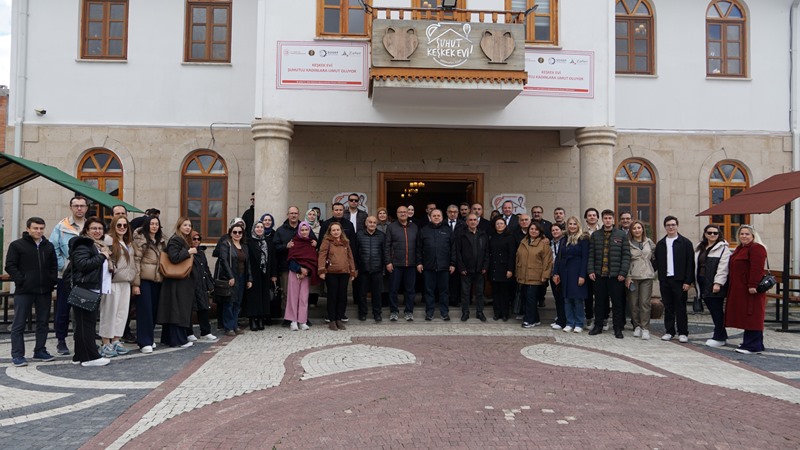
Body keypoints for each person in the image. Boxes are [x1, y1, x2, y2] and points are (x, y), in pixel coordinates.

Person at [6, 217, 58, 367]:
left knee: (43, 323)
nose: (39, 231)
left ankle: (40, 350)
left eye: (41, 228)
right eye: (35, 228)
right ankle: (17, 355)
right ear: (28, 229)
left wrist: (51, 279)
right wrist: (21, 280)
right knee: (19, 324)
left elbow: (54, 265)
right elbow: (10, 265)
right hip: (24, 291)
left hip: (44, 290)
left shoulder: (48, 246)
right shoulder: (17, 245)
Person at [68, 217, 111, 367]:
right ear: (87, 230)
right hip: (85, 288)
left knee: (84, 324)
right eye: (94, 228)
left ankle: (79, 355)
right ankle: (90, 357)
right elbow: (83, 265)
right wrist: (102, 256)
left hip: (93, 288)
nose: (97, 231)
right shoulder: (83, 245)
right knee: (86, 324)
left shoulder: (98, 246)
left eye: (100, 228)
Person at [50, 195, 89, 356]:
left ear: (86, 208)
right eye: (76, 206)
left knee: (85, 308)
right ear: (71, 207)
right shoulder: (62, 226)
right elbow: (54, 248)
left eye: (82, 206)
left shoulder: (91, 226)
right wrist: (64, 266)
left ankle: (85, 339)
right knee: (63, 309)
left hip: (86, 275)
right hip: (66, 276)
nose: (79, 208)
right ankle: (61, 340)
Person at [725, 225, 768, 354]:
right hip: (740, 289)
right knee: (747, 315)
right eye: (741, 234)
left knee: (753, 315)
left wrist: (753, 285)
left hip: (750, 289)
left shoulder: (757, 248)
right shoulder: (740, 249)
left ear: (753, 236)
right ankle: (755, 343)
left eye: (747, 234)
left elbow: (757, 268)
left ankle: (752, 345)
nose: (744, 236)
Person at [587, 209, 631, 338]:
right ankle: (598, 326)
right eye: (605, 218)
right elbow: (591, 255)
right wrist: (590, 270)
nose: (607, 220)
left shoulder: (621, 235)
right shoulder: (595, 235)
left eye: (610, 218)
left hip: (616, 276)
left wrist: (623, 272)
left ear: (613, 220)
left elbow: (626, 255)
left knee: (617, 303)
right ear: (602, 219)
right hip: (599, 275)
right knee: (600, 302)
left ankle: (618, 328)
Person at [158, 217, 200, 347]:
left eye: (189, 225)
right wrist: (189, 251)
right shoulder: (176, 239)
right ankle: (179, 340)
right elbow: (174, 258)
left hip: (180, 282)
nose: (188, 227)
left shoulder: (181, 239)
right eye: (185, 225)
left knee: (177, 310)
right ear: (179, 226)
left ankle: (171, 338)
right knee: (178, 310)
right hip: (177, 282)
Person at [99, 215, 136, 358]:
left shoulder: (127, 242)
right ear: (113, 226)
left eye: (124, 226)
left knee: (121, 312)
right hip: (112, 281)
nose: (122, 228)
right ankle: (106, 342)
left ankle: (116, 340)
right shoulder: (108, 240)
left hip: (125, 281)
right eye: (119, 225)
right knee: (109, 312)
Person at [654, 215, 695, 343]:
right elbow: (655, 263)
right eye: (668, 225)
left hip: (680, 280)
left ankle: (683, 332)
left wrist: (688, 281)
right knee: (668, 306)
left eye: (673, 225)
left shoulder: (685, 243)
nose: (671, 227)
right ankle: (669, 331)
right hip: (665, 280)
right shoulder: (661, 244)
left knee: (681, 307)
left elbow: (690, 263)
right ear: (665, 227)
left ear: (677, 226)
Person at [274, 206, 317, 326]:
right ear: (288, 214)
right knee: (288, 294)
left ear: (299, 214)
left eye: (296, 213)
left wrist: (316, 243)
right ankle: (288, 318)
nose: (293, 215)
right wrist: (285, 246)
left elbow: (312, 242)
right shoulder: (281, 230)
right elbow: (275, 247)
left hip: (305, 268)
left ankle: (302, 318)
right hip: (287, 266)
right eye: (291, 213)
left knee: (303, 295)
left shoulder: (304, 226)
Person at [132, 215, 165, 353]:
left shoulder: (161, 240)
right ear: (147, 225)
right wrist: (136, 284)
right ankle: (144, 341)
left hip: (157, 279)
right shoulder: (140, 240)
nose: (154, 226)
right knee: (145, 311)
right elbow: (136, 261)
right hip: (144, 279)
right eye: (152, 224)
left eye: (156, 224)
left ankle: (149, 338)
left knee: (153, 310)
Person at [694, 224, 731, 347]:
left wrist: (718, 283)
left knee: (717, 310)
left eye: (715, 233)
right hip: (702, 281)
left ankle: (719, 336)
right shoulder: (700, 247)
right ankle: (722, 334)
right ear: (705, 234)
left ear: (719, 234)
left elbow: (723, 268)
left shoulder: (723, 248)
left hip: (714, 284)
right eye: (709, 233)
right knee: (713, 309)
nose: (712, 235)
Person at [416, 209, 455, 321]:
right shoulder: (423, 230)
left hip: (444, 267)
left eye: (439, 215)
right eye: (434, 215)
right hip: (428, 267)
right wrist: (419, 262)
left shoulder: (448, 231)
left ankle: (444, 313)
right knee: (429, 291)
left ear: (442, 217)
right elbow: (418, 249)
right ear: (430, 217)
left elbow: (453, 249)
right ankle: (429, 313)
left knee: (444, 291)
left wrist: (452, 263)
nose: (436, 217)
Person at [215, 222, 253, 336]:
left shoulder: (245, 246)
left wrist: (250, 279)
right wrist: (230, 276)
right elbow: (224, 261)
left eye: (240, 232)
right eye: (235, 232)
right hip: (231, 277)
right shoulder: (226, 244)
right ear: (230, 233)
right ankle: (228, 327)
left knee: (238, 302)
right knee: (229, 302)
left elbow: (248, 264)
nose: (237, 234)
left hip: (242, 277)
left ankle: (235, 325)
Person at [318, 222, 357, 330]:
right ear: (330, 232)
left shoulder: (345, 242)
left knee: (342, 296)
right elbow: (322, 255)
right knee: (332, 296)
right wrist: (321, 270)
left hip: (344, 272)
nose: (336, 232)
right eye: (333, 230)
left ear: (341, 231)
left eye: (338, 230)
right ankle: (332, 320)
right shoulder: (327, 241)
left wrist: (352, 271)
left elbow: (350, 257)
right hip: (331, 273)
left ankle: (339, 318)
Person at [554, 217, 589, 333]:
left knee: (577, 299)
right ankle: (570, 322)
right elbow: (558, 257)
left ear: (578, 225)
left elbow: (585, 258)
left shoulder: (583, 239)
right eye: (570, 224)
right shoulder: (564, 239)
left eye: (574, 224)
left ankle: (579, 323)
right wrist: (556, 273)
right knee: (567, 299)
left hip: (577, 272)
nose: (572, 226)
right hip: (565, 273)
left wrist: (582, 275)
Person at [384, 205, 419, 321]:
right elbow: (387, 245)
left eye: (405, 212)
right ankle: (394, 311)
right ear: (397, 214)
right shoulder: (391, 227)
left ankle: (409, 311)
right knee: (393, 289)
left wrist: (419, 262)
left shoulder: (414, 227)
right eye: (400, 212)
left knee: (410, 290)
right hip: (396, 264)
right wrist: (388, 262)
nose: (403, 214)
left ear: (408, 213)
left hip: (411, 264)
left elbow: (419, 246)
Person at [516, 222, 552, 328]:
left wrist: (545, 275)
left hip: (536, 276)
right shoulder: (523, 242)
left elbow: (548, 261)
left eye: (536, 229)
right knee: (527, 298)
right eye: (531, 229)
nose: (533, 231)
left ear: (540, 231)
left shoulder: (543, 244)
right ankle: (535, 319)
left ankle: (529, 320)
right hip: (523, 275)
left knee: (531, 299)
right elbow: (518, 258)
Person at [243, 221, 277, 331]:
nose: (259, 229)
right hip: (253, 274)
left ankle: (261, 318)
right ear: (253, 229)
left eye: (261, 227)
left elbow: (272, 259)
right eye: (257, 227)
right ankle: (253, 319)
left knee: (264, 297)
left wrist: (273, 274)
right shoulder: (248, 242)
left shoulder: (268, 242)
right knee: (253, 297)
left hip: (265, 273)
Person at [285, 221, 320, 330]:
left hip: (305, 275)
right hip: (294, 272)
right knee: (293, 297)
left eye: (306, 230)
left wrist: (306, 272)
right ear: (299, 231)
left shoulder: (311, 244)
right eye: (302, 230)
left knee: (304, 298)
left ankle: (302, 320)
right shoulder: (294, 242)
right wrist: (299, 269)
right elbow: (291, 258)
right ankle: (293, 320)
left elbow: (313, 260)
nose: (304, 232)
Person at [456, 213, 490, 322]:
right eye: (470, 220)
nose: (472, 221)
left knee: (480, 293)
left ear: (478, 222)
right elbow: (458, 253)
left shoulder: (483, 234)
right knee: (465, 293)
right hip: (466, 270)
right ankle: (465, 312)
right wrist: (461, 267)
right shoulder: (461, 235)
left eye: (475, 220)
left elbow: (486, 252)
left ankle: (479, 312)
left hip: (479, 270)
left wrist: (485, 266)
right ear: (466, 222)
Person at [626, 220, 656, 340]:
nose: (637, 230)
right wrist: (627, 276)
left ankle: (645, 328)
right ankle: (636, 325)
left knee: (645, 303)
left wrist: (653, 269)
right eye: (634, 228)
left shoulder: (649, 242)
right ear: (631, 231)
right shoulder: (627, 243)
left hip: (647, 276)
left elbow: (655, 256)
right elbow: (625, 260)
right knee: (633, 303)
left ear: (642, 229)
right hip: (633, 276)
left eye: (639, 228)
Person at [356, 216, 387, 322]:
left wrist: (383, 268)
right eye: (370, 222)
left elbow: (385, 253)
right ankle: (362, 313)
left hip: (377, 269)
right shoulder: (359, 235)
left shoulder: (382, 235)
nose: (372, 224)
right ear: (366, 223)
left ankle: (377, 313)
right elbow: (355, 252)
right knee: (362, 293)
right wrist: (356, 268)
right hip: (363, 269)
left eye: (374, 222)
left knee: (377, 294)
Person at [189, 231, 217, 341]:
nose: (196, 241)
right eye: (194, 239)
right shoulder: (188, 251)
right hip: (191, 283)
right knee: (190, 309)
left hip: (202, 283)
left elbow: (206, 269)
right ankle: (189, 332)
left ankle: (205, 332)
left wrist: (211, 282)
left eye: (198, 239)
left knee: (204, 308)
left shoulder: (201, 253)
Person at [488, 215, 516, 322]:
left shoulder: (509, 237)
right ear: (494, 226)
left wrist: (510, 269)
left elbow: (512, 255)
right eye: (497, 224)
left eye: (501, 223)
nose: (499, 225)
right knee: (495, 293)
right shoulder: (492, 237)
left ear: (505, 225)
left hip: (505, 269)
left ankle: (505, 314)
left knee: (504, 293)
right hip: (494, 268)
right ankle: (497, 313)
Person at [549, 222, 567, 330]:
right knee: (557, 297)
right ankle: (560, 318)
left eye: (557, 230)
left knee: (562, 298)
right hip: (553, 272)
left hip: (562, 273)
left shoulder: (565, 242)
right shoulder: (550, 243)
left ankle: (562, 320)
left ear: (561, 231)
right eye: (553, 230)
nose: (555, 232)